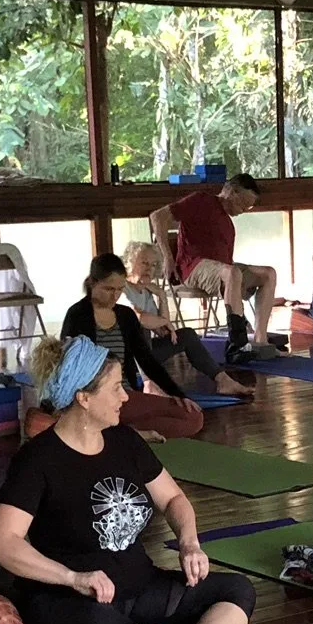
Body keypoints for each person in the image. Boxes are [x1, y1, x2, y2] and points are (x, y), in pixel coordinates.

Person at [0, 335, 284, 624]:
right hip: (72, 605)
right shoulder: (38, 460)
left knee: (237, 589)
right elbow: (1, 542)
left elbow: (173, 498)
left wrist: (189, 542)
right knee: (102, 623)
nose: (125, 396)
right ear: (84, 397)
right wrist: (73, 578)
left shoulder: (125, 442)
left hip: (140, 587)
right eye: (116, 388)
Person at [61, 253, 204, 440]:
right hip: (93, 398)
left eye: (120, 289)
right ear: (92, 283)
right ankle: (119, 433)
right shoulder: (77, 315)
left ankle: (118, 434)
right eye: (108, 289)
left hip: (125, 395)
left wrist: (177, 393)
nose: (115, 295)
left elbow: (146, 359)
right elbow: (68, 365)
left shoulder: (126, 315)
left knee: (193, 418)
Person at [148, 174, 283, 363]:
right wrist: (167, 256)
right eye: (243, 203)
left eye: (249, 207)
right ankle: (237, 344)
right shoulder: (201, 201)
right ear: (231, 191)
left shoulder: (227, 222)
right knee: (232, 272)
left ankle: (260, 340)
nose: (244, 210)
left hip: (224, 271)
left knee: (268, 273)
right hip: (193, 267)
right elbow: (157, 216)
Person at [120, 241, 253, 399]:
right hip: (122, 358)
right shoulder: (120, 288)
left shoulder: (147, 292)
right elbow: (140, 319)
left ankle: (223, 381)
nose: (150, 268)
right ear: (128, 263)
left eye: (154, 265)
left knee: (188, 335)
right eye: (144, 263)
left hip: (144, 357)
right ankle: (149, 384)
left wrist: (162, 296)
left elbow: (163, 331)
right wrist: (164, 322)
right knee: (138, 328)